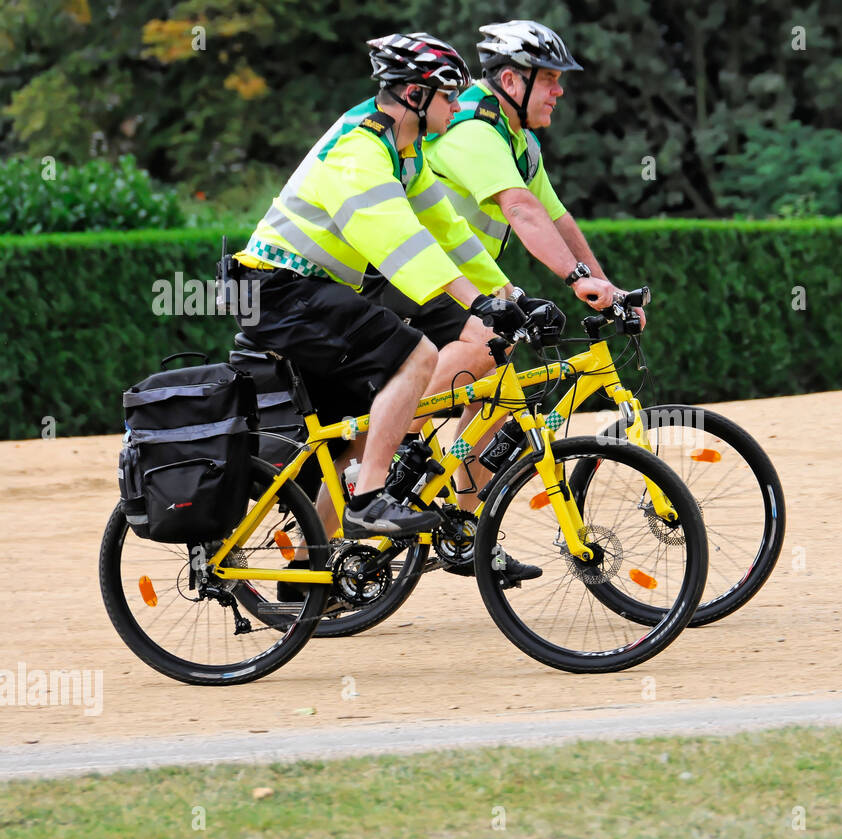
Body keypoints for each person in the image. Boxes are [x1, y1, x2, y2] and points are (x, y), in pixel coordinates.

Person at [225, 33, 538, 572]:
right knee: (416, 355)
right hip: (275, 289)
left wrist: (508, 296)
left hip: (301, 292)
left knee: (354, 435)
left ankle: (305, 573)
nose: (460, 107)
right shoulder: (362, 149)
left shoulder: (404, 149)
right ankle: (369, 501)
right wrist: (475, 303)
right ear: (415, 95)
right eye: (449, 96)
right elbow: (400, 245)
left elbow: (448, 231)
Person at [362, 20, 642, 499]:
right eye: (550, 78)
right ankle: (375, 456)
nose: (560, 90)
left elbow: (557, 219)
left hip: (459, 278)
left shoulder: (520, 141)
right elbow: (519, 207)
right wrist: (578, 280)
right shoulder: (473, 130)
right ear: (512, 81)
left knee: (499, 375)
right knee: (488, 342)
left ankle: (469, 518)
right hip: (409, 275)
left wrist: (605, 287)